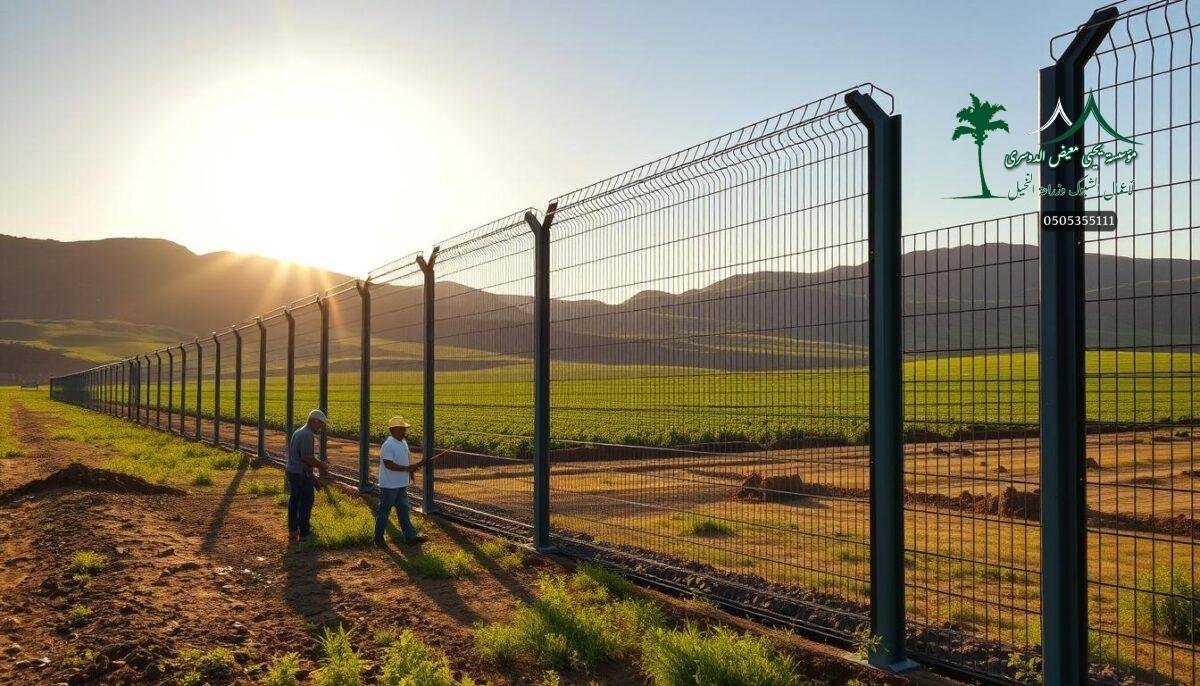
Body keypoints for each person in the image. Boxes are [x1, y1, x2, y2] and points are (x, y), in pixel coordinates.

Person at [374, 415, 427, 547]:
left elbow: (405, 460)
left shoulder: (403, 442)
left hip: (401, 484)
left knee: (404, 510)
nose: (405, 431)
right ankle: (378, 538)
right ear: (394, 429)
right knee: (384, 511)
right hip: (389, 485)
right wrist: (406, 468)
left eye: (404, 428)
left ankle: (410, 537)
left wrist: (411, 470)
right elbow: (388, 464)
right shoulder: (388, 445)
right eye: (402, 428)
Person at [286, 409, 329, 542]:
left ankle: (293, 530)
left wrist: (312, 476)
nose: (321, 426)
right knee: (306, 501)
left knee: (294, 501)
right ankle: (304, 532)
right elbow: (306, 458)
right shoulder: (307, 435)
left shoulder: (299, 431)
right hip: (299, 473)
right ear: (314, 420)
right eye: (320, 423)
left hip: (294, 471)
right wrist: (322, 465)